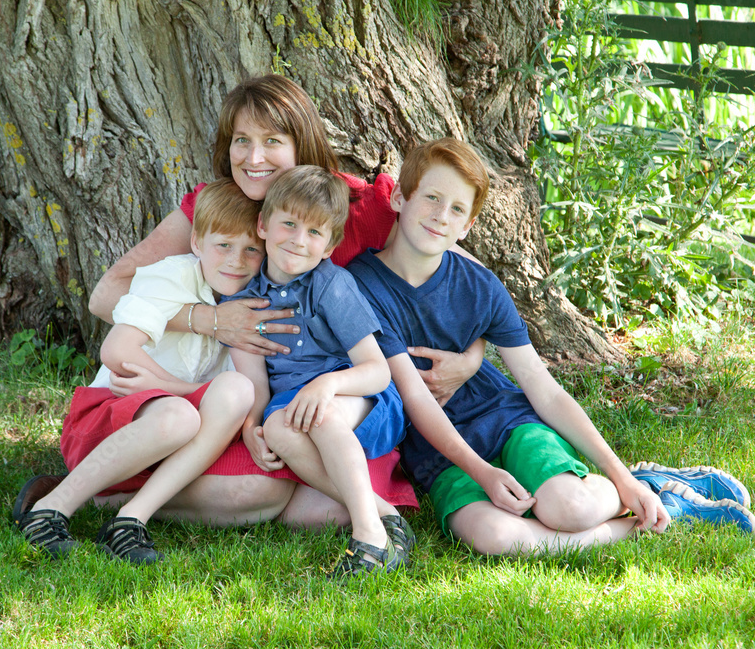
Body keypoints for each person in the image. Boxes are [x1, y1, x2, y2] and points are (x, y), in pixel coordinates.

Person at [70, 74, 478, 528]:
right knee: (261, 487)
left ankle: (128, 490)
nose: (254, 157)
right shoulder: (217, 209)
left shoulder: (357, 206)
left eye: (272, 141)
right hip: (250, 394)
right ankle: (112, 493)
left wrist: (474, 357)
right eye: (241, 141)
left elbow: (464, 274)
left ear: (302, 143)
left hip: (337, 399)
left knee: (321, 508)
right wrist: (209, 319)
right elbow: (107, 293)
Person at [345, 138, 755, 555]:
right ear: (399, 196)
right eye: (431, 198)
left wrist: (619, 474)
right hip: (439, 449)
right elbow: (416, 398)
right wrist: (484, 473)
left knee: (570, 509)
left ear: (467, 227)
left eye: (456, 209)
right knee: (494, 538)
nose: (440, 216)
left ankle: (638, 485)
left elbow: (543, 389)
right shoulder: (362, 284)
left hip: (506, 420)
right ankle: (658, 508)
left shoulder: (481, 287)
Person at [12, 180, 267, 564]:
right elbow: (117, 350)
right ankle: (49, 509)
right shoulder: (172, 276)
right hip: (111, 420)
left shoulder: (250, 301)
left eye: (251, 250)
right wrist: (181, 393)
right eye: (224, 246)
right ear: (197, 242)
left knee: (238, 397)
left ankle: (127, 519)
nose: (237, 260)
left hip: (174, 442)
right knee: (178, 416)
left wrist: (172, 387)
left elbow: (246, 392)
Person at [226, 165, 411, 576]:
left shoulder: (332, 285)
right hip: (291, 407)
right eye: (288, 223)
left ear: (330, 245)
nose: (297, 239)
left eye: (313, 232)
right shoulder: (246, 299)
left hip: (361, 399)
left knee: (321, 416)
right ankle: (384, 514)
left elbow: (377, 371)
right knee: (277, 428)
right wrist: (250, 427)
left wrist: (328, 385)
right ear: (263, 224)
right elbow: (254, 377)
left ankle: (369, 536)